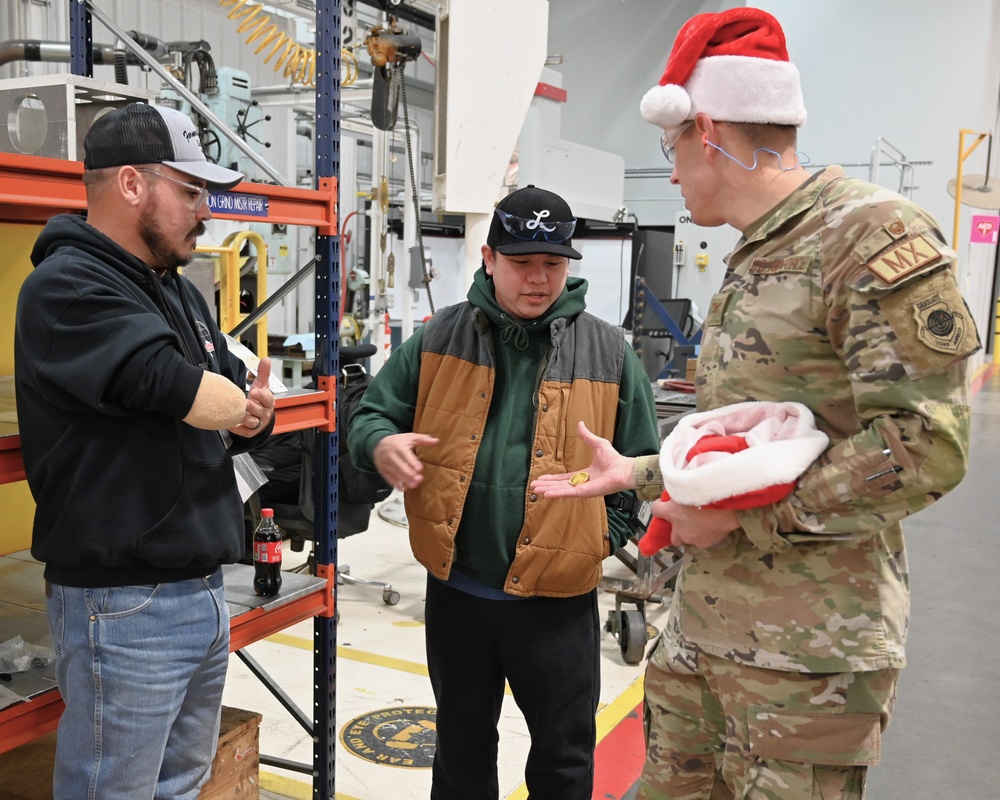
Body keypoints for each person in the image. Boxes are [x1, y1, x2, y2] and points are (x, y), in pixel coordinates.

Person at [532, 8, 979, 799]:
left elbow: (925, 443)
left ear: (705, 132)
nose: (669, 174)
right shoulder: (759, 247)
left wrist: (745, 520)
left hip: (807, 664)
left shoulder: (866, 237)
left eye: (669, 151)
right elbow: (755, 440)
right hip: (705, 632)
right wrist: (640, 472)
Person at [348, 184, 659, 799]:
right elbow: (369, 415)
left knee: (563, 758)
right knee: (460, 752)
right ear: (490, 258)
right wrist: (380, 444)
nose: (538, 279)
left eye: (552, 263)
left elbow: (645, 467)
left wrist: (598, 537)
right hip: (458, 592)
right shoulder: (441, 336)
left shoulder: (610, 353)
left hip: (557, 602)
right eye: (521, 263)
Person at [14, 103, 276, 800]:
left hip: (201, 589)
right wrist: (236, 403)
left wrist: (245, 408)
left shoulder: (178, 291)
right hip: (124, 603)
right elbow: (175, 385)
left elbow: (235, 389)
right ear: (131, 184)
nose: (206, 212)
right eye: (190, 192)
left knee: (181, 786)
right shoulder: (68, 287)